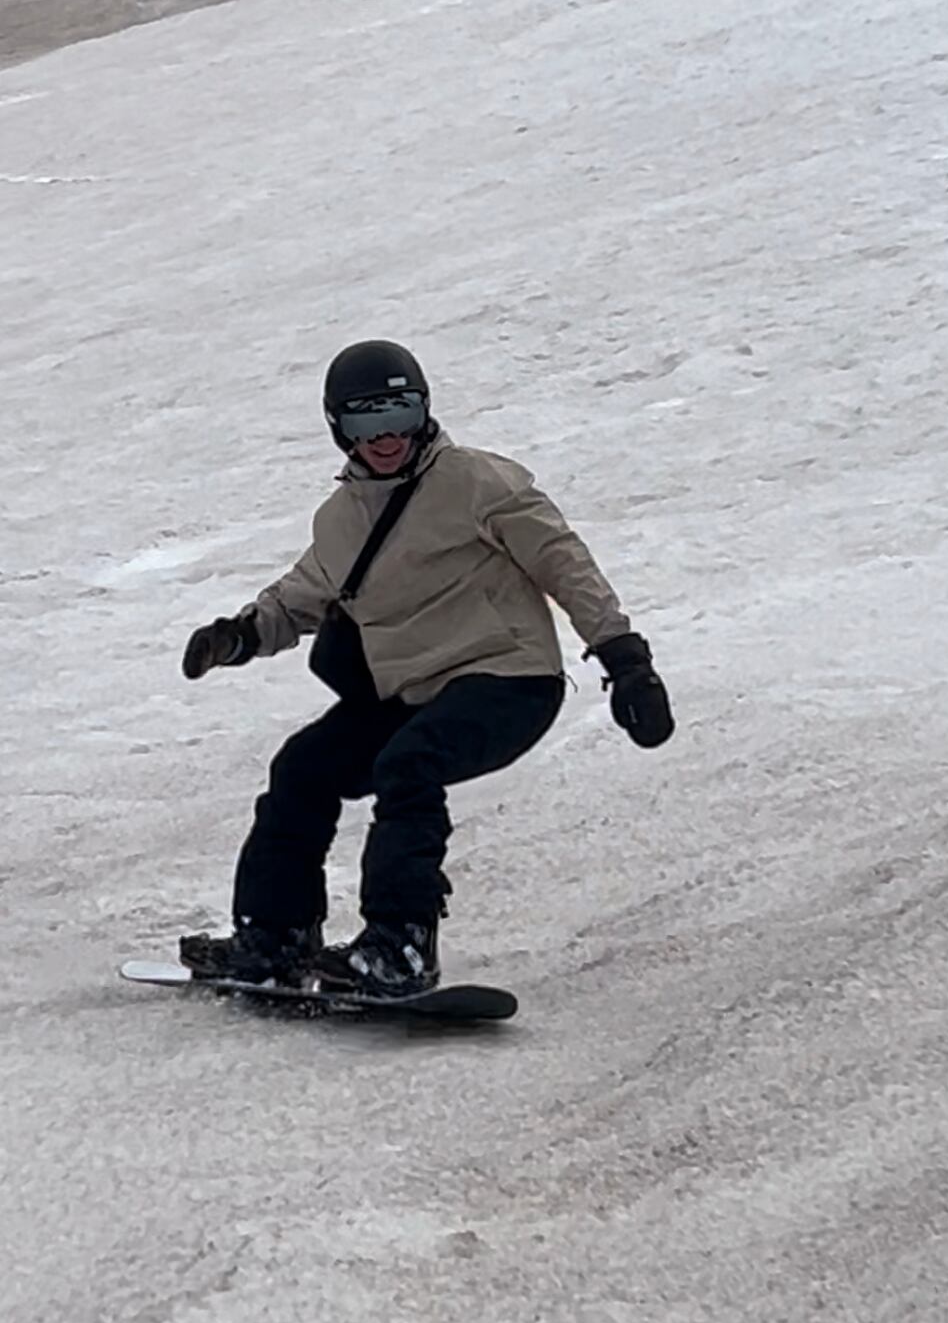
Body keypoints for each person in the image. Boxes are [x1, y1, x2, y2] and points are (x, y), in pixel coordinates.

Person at [179, 341, 674, 998]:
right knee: (303, 766)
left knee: (408, 764)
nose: (384, 437)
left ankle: (401, 945)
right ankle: (274, 934)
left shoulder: (478, 481)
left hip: (506, 681)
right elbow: (300, 597)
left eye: (399, 414)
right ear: (338, 429)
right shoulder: (342, 519)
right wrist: (238, 636)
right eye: (364, 421)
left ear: (424, 411)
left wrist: (625, 658)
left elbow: (562, 561)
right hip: (412, 693)